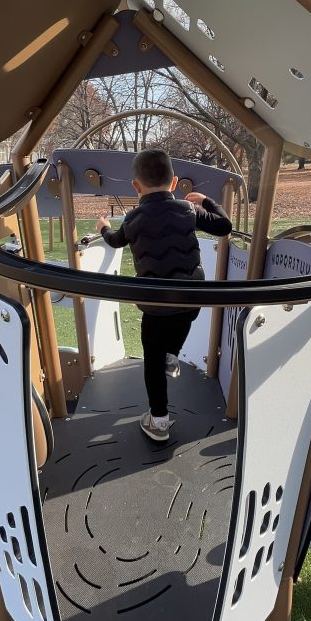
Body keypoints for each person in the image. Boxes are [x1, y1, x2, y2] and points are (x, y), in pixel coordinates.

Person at [96, 148, 232, 442]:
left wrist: (104, 228)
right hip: (190, 300)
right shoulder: (187, 210)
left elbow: (115, 241)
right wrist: (206, 201)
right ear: (174, 183)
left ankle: (158, 421)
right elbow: (224, 226)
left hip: (155, 306)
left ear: (135, 186)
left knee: (152, 362)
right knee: (179, 326)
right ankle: (172, 354)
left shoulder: (133, 219)